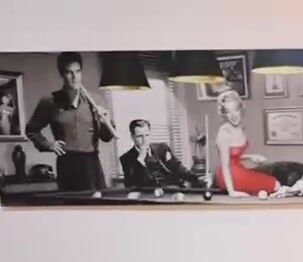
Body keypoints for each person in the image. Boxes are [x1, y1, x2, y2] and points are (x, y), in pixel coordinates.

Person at [24, 51, 115, 192]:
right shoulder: (50, 102)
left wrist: (106, 121)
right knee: (71, 202)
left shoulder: (96, 100)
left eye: (78, 71)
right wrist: (48, 145)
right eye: (69, 72)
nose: (74, 77)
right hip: (67, 164)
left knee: (97, 202)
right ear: (62, 74)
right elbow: (31, 130)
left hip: (92, 164)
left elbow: (106, 137)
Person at [212, 89, 280, 197]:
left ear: (241, 109)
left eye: (236, 110)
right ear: (224, 114)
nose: (233, 115)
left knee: (274, 185)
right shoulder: (224, 133)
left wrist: (251, 157)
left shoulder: (239, 128)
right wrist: (232, 192)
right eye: (228, 111)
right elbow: (225, 165)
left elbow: (233, 156)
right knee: (275, 185)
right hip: (229, 177)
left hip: (239, 170)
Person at [120, 119, 202, 189]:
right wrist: (140, 160)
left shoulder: (162, 148)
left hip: (172, 191)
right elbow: (133, 185)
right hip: (149, 196)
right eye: (139, 136)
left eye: (147, 135)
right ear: (132, 137)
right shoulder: (126, 158)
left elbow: (178, 168)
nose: (145, 140)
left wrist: (197, 179)